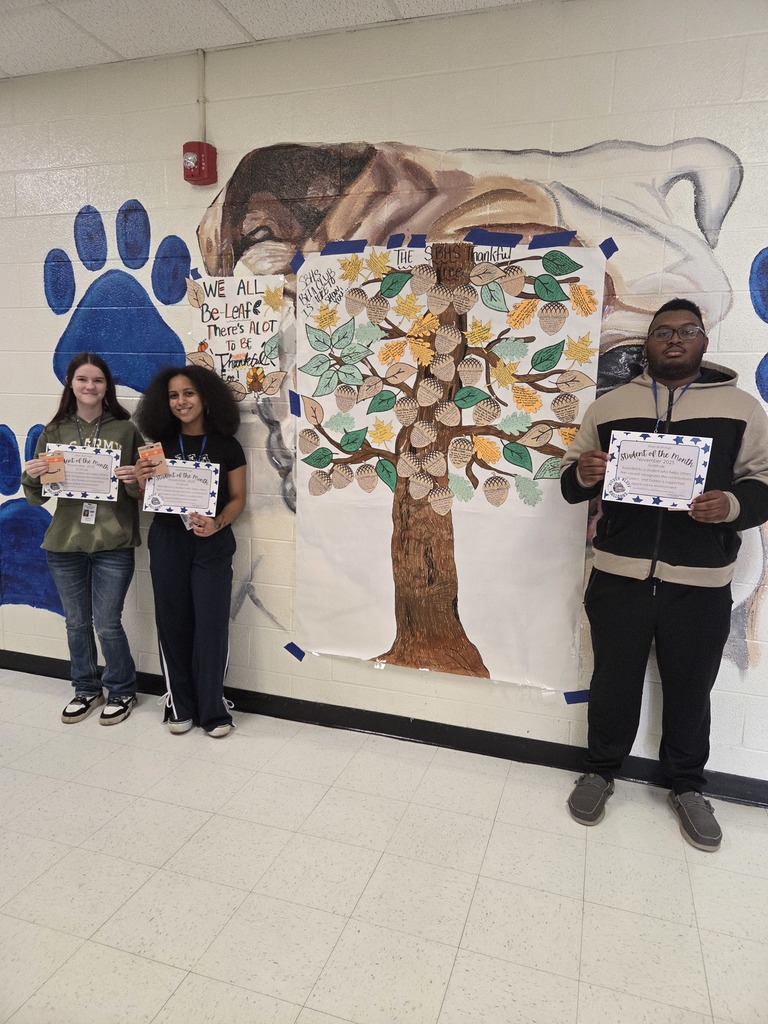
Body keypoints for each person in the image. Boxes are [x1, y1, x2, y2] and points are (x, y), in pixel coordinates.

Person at [560, 298, 768, 851]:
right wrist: (582, 472)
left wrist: (730, 506)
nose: (674, 339)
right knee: (612, 683)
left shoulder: (742, 409)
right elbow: (569, 479)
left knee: (690, 689)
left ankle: (687, 786)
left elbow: (763, 484)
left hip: (700, 582)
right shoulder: (609, 407)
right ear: (647, 344)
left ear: (703, 341)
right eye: (662, 332)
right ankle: (600, 772)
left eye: (687, 331)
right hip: (618, 575)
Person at [22, 353, 143, 725]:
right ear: (70, 385)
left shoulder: (126, 430)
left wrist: (134, 480)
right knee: (76, 622)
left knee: (107, 623)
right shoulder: (53, 432)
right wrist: (32, 475)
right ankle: (86, 689)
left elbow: (143, 493)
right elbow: (37, 497)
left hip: (114, 543)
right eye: (82, 380)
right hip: (65, 544)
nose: (90, 387)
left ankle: (121, 690)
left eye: (98, 380)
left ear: (108, 387)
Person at [134, 365, 246, 738]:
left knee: (211, 626)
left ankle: (213, 709)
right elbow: (146, 499)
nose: (181, 402)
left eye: (189, 393)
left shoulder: (227, 444)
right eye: (173, 395)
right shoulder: (157, 449)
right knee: (173, 623)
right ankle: (178, 704)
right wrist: (142, 481)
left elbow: (239, 500)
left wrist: (217, 523)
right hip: (168, 542)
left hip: (212, 543)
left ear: (205, 397)